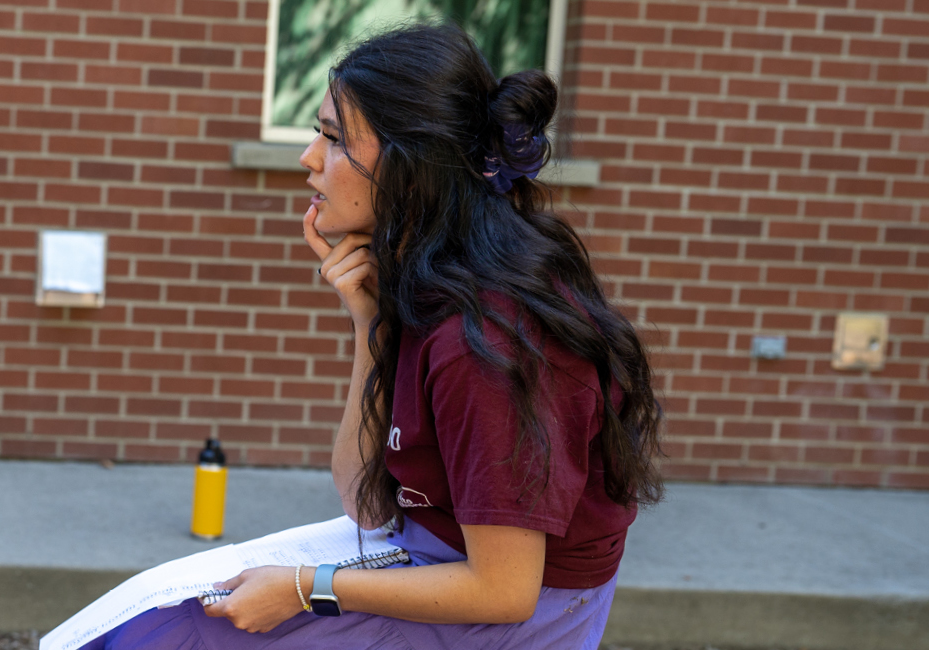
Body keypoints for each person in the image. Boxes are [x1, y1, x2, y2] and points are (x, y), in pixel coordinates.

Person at [84, 23, 664, 650]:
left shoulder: (491, 343)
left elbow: (505, 590)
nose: (308, 157)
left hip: (505, 619)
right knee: (162, 622)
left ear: (411, 167)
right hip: (435, 567)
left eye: (334, 139)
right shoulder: (437, 289)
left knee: (171, 638)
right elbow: (368, 506)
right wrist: (372, 328)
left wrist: (306, 586)